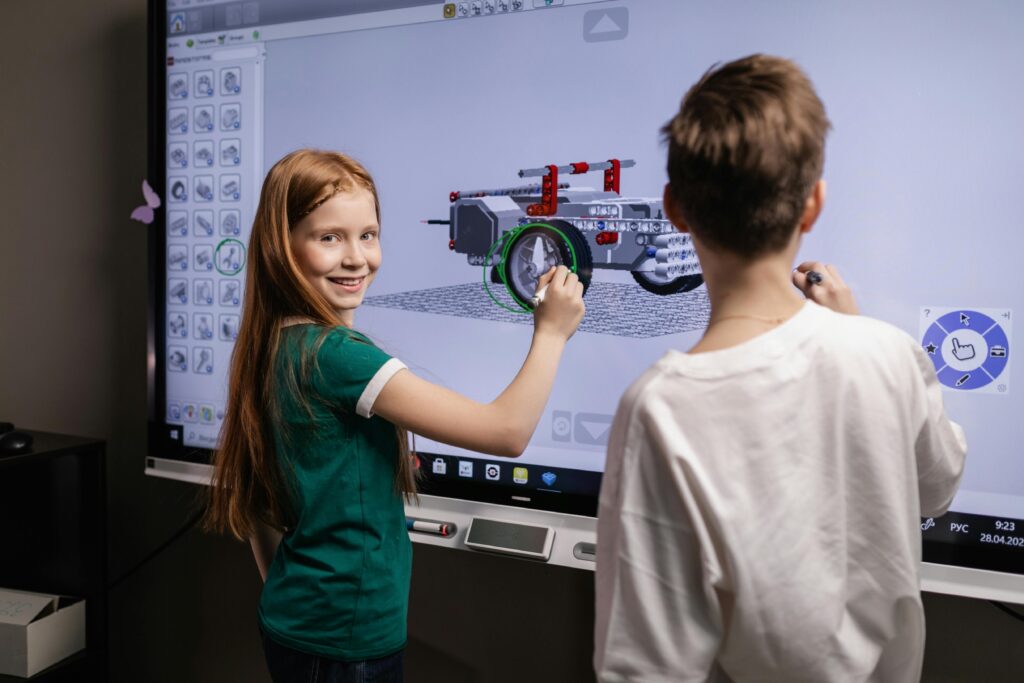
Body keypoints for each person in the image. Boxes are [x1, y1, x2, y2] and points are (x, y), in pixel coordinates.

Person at [594, 55, 966, 683]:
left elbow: (644, 667)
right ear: (812, 205)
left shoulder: (661, 407)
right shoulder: (889, 353)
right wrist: (853, 329)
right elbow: (936, 487)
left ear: (674, 209)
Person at [205, 149, 585, 683]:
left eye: (368, 235)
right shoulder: (338, 356)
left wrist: (298, 596)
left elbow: (260, 504)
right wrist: (551, 332)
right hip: (346, 643)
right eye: (329, 237)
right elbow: (507, 432)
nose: (358, 258)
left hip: (297, 622)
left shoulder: (275, 343)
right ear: (282, 247)